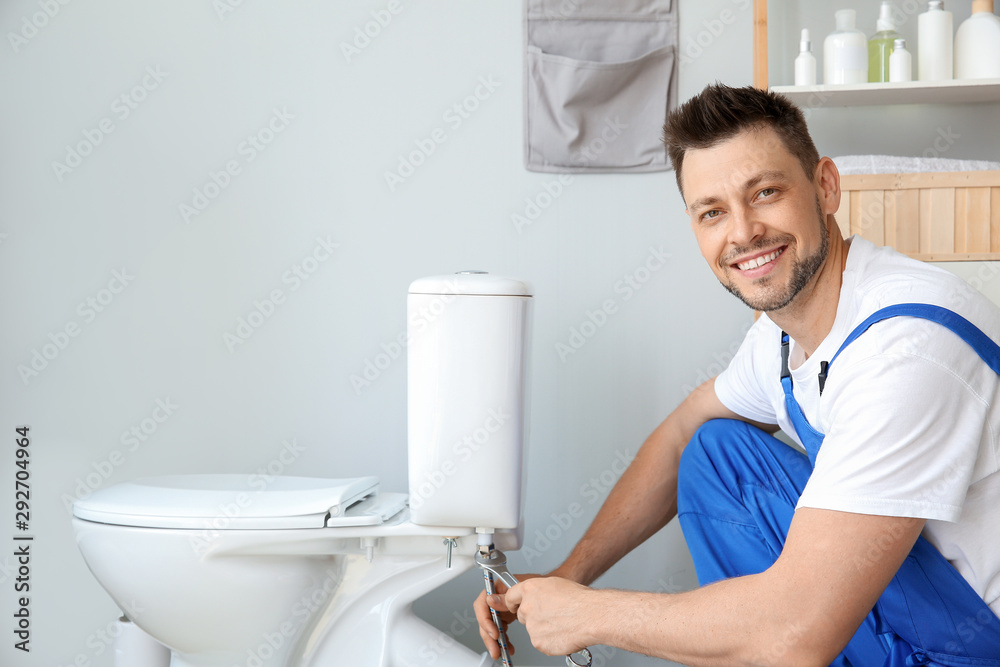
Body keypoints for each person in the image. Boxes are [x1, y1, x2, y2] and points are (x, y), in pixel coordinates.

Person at [474, 83, 1000, 666]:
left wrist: (589, 615)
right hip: (907, 605)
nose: (744, 232)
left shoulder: (904, 348)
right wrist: (565, 578)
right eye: (713, 212)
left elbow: (800, 633)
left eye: (766, 192)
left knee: (788, 633)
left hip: (971, 643)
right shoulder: (780, 334)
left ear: (825, 186)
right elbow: (680, 436)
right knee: (715, 452)